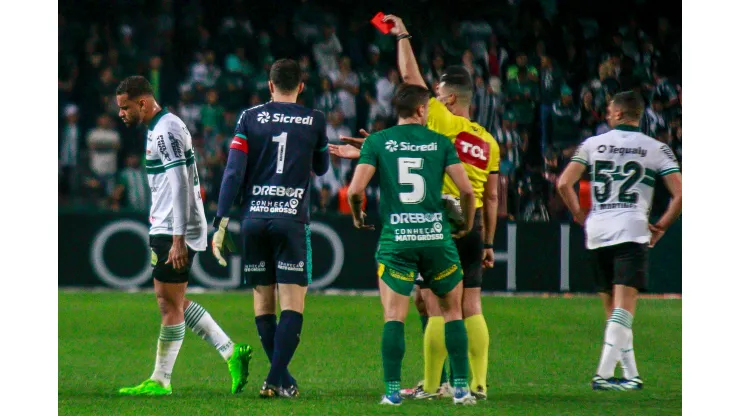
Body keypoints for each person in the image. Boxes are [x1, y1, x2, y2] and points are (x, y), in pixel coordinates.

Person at [334, 14, 500, 400]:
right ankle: (472, 384)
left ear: (448, 100)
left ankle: (424, 385)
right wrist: (484, 237)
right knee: (467, 305)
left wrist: (403, 34)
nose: (433, 100)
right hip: (467, 230)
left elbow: (410, 80)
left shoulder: (440, 123)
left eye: (438, 95)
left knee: (425, 307)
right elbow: (488, 195)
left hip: (428, 223)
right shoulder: (487, 140)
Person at [114, 76, 252, 396]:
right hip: (168, 225)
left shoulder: (166, 129)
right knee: (171, 301)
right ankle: (230, 351)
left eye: (125, 107)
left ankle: (162, 380)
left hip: (173, 227)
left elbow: (179, 182)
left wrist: (178, 238)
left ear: (143, 103)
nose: (121, 113)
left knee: (169, 306)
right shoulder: (161, 127)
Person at [342, 83, 477, 406]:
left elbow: (354, 191)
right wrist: (467, 224)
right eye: (428, 108)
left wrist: (359, 217)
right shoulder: (440, 142)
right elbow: (468, 192)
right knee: (453, 311)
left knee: (393, 316)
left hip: (397, 240)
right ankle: (461, 389)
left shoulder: (377, 141)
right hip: (435, 238)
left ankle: (392, 392)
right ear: (420, 110)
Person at [211, 59, 330, 398]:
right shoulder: (314, 119)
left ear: (270, 84)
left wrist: (221, 220)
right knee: (292, 305)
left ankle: (283, 379)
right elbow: (321, 168)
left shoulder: (250, 118)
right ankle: (275, 380)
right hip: (290, 220)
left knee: (263, 305)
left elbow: (233, 172)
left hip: (253, 219)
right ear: (302, 86)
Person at [557, 91, 682, 391]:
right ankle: (602, 374)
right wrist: (662, 225)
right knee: (623, 311)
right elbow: (681, 193)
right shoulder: (656, 148)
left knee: (614, 311)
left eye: (609, 111)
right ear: (638, 115)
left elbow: (563, 183)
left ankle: (631, 375)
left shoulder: (592, 144)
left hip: (597, 231)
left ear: (616, 114)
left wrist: (578, 213)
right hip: (631, 228)